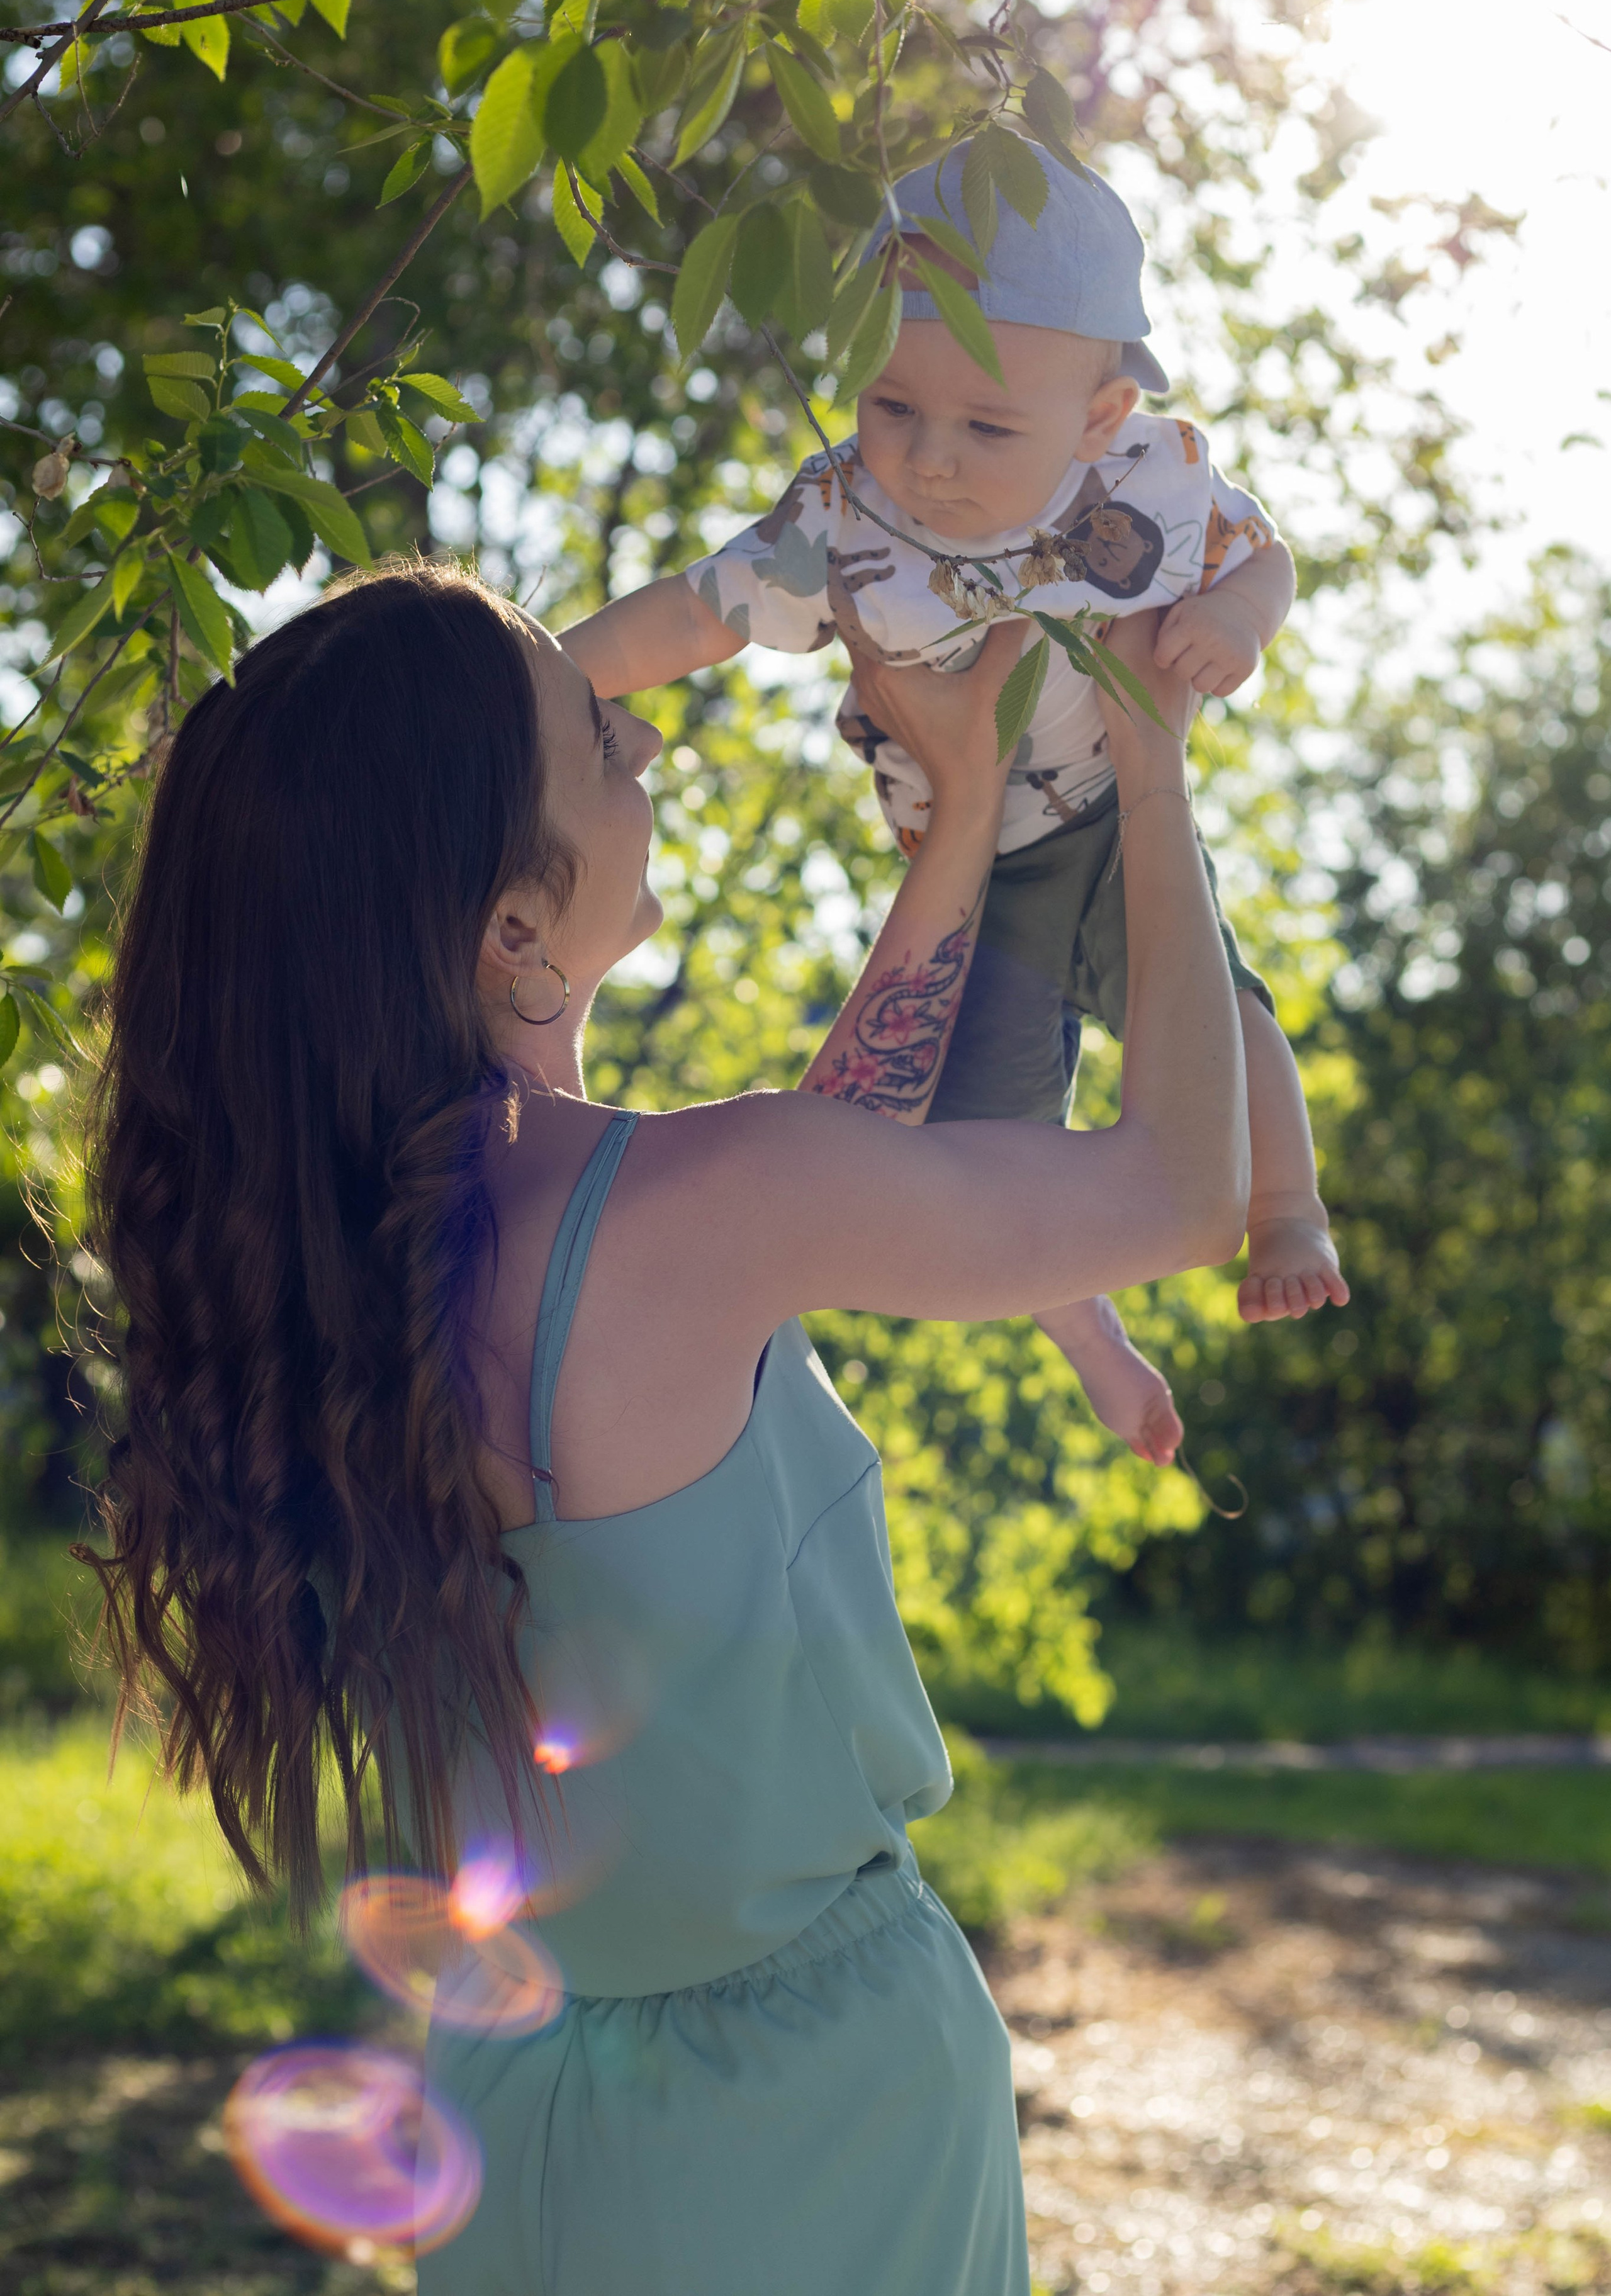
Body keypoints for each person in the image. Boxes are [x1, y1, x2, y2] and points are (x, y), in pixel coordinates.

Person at [82, 561, 1247, 2295]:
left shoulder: (339, 1274)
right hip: (818, 2115)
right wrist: (1145, 768)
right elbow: (1186, 1186)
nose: (645, 742)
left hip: (515, 2103)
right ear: (512, 928)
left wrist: (956, 818)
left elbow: (819, 1163)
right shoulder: (693, 1209)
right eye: (596, 736)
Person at [561, 144, 1347, 1468]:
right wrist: (540, 668)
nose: (927, 459)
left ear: (1097, 414)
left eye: (986, 428)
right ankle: (1084, 1327)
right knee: (982, 1131)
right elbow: (697, 614)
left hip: (1111, 825)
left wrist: (1235, 622)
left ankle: (1287, 1206)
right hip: (975, 873)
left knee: (1219, 1006)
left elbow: (1260, 555)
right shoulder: (843, 517)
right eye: (889, 405)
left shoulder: (1143, 482)